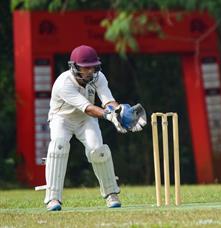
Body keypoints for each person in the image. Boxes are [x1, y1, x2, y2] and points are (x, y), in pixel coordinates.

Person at [44, 45, 147, 211]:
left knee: (98, 150)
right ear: (74, 66)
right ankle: (53, 198)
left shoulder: (98, 77)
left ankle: (111, 194)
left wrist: (119, 111)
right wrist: (109, 115)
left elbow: (108, 101)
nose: (90, 71)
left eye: (93, 66)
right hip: (62, 118)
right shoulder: (64, 83)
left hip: (86, 120)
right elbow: (87, 107)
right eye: (86, 67)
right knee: (59, 146)